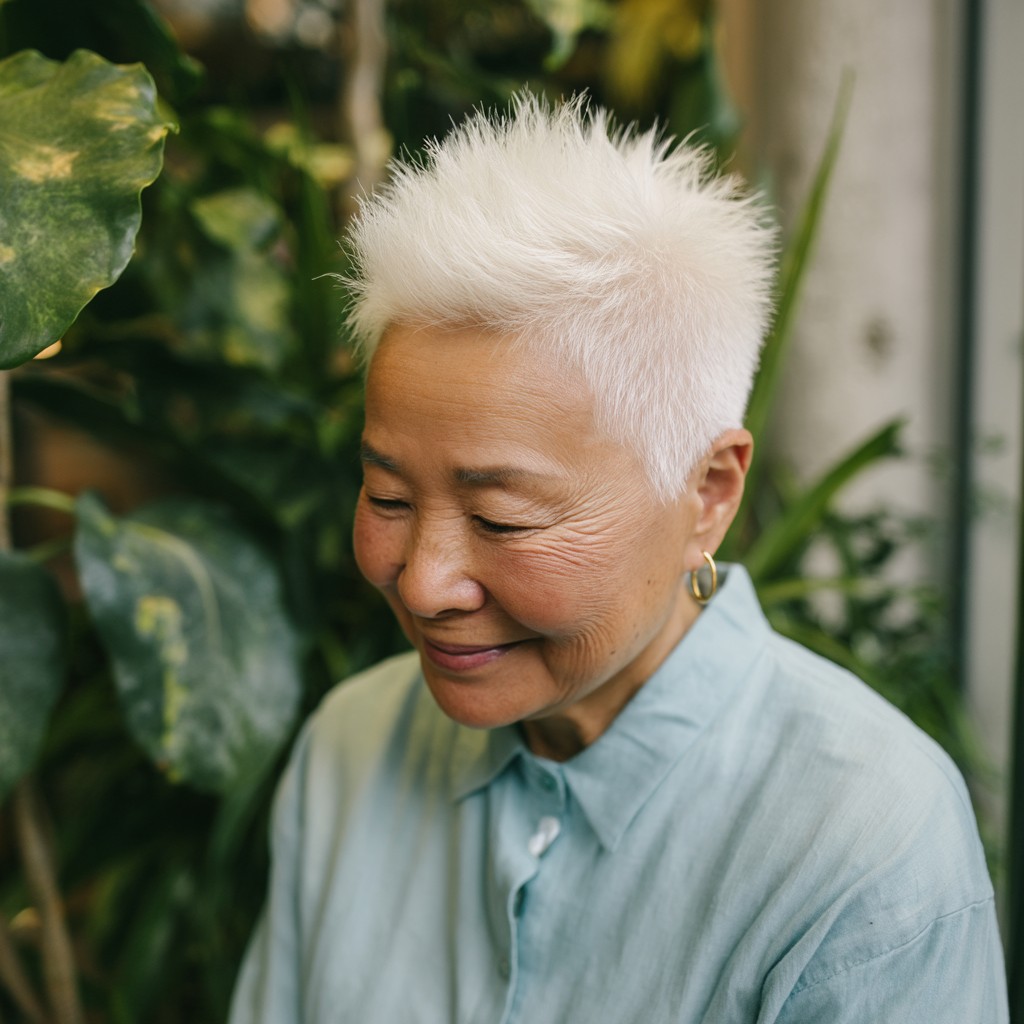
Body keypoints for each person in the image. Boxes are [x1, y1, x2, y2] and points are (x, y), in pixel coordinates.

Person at [229, 94, 1007, 1023]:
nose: (426, 581)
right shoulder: (351, 748)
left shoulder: (863, 842)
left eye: (503, 519)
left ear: (709, 491)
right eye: (389, 497)